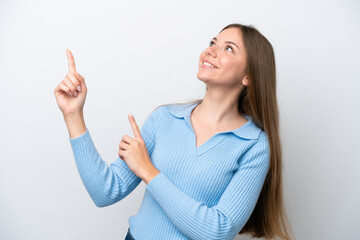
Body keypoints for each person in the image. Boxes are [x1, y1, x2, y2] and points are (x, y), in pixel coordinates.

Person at [54, 23, 293, 240]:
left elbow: (217, 230)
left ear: (249, 76)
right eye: (212, 43)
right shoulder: (164, 118)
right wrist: (73, 115)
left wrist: (148, 170)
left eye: (228, 49)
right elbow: (104, 192)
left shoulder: (254, 145)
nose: (210, 50)